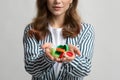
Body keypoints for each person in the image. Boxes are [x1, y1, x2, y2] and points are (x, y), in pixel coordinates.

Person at [23, 0, 95, 80]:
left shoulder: (85, 30)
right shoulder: (32, 30)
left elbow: (85, 70)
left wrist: (72, 59)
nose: (57, 1)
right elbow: (31, 69)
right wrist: (46, 58)